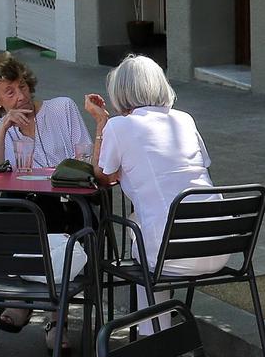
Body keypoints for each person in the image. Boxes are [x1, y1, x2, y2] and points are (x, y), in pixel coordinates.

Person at [84, 55, 231, 294]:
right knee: (148, 229)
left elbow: (102, 176)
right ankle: (155, 326)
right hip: (219, 246)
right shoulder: (184, 119)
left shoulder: (120, 126)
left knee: (141, 236)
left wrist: (101, 121)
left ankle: (152, 328)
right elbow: (200, 166)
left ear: (120, 93)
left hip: (172, 253)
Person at [0, 52, 93, 346]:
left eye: (22, 87)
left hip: (71, 206)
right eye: (10, 92)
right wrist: (4, 128)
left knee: (43, 207)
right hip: (28, 214)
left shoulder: (61, 109)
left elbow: (86, 157)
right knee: (15, 208)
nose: (21, 97)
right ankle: (32, 304)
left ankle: (46, 313)